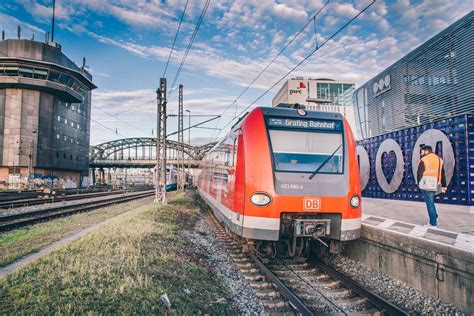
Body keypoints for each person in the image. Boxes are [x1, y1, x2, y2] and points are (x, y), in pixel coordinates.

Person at [417, 145, 447, 228]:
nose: (421, 153)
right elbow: (443, 173)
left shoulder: (423, 159)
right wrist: (444, 185)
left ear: (426, 151)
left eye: (422, 152)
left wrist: (419, 184)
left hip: (426, 183)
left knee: (429, 203)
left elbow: (419, 173)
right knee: (431, 201)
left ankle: (433, 223)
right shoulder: (440, 159)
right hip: (435, 184)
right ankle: (435, 216)